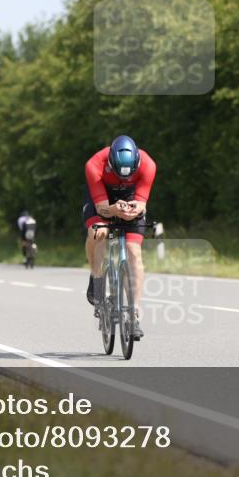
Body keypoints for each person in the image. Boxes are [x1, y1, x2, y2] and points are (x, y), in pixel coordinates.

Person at [82, 134, 156, 339]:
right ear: (111, 162)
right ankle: (96, 277)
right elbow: (102, 209)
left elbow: (141, 203)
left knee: (134, 252)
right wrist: (113, 209)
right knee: (99, 232)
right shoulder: (95, 164)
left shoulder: (148, 165)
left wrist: (134, 209)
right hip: (102, 198)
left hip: (130, 198)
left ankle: (134, 314)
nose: (123, 178)